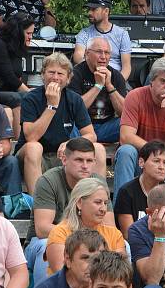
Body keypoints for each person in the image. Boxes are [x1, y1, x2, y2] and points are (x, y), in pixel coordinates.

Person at [23, 137, 111, 285]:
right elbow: (42, 229)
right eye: (79, 160)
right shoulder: (49, 180)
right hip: (40, 243)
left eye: (89, 161)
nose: (85, 166)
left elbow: (109, 227)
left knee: (123, 246)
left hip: (86, 242)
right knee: (47, 244)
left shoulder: (98, 183)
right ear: (64, 160)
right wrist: (82, 236)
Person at [15, 52, 106, 195]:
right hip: (34, 156)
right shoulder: (30, 98)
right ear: (43, 75)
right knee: (34, 147)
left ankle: (97, 199)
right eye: (51, 72)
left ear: (68, 79)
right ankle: (39, 205)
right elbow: (31, 137)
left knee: (98, 149)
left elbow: (91, 135)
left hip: (61, 155)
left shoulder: (74, 99)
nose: (55, 77)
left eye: (60, 73)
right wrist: (52, 106)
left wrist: (71, 143)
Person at [113, 57, 165, 195]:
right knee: (126, 151)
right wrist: (160, 153)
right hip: (140, 160)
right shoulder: (135, 96)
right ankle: (122, 209)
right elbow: (125, 137)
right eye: (163, 81)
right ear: (152, 80)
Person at [46, 178, 124, 274]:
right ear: (79, 203)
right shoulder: (60, 233)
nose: (104, 209)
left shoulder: (114, 234)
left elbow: (120, 273)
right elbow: (63, 274)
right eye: (98, 202)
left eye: (106, 203)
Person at [68, 36, 129, 145]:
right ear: (87, 53)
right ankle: (78, 149)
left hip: (106, 128)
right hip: (82, 128)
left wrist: (109, 86)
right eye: (99, 52)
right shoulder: (75, 73)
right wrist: (98, 86)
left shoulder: (116, 76)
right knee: (68, 124)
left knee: (128, 124)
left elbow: (124, 113)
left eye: (107, 53)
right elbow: (73, 109)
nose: (103, 57)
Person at [114, 140, 165, 237]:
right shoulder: (126, 192)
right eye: (156, 161)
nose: (162, 167)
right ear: (141, 162)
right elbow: (129, 234)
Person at [72, 0, 131, 80]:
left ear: (106, 11)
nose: (89, 13)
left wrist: (118, 83)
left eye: (94, 9)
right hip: (89, 78)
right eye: (89, 9)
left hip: (115, 78)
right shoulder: (84, 33)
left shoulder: (122, 34)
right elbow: (78, 57)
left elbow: (127, 67)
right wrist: (95, 69)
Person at [0, 12, 33, 108]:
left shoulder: (16, 46)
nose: (31, 37)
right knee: (19, 97)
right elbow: (9, 76)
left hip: (10, 90)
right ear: (18, 32)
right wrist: (29, 93)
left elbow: (17, 76)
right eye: (28, 33)